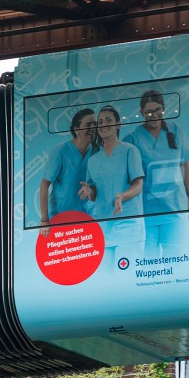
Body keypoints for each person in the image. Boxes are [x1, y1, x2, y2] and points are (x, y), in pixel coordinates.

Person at [124, 90, 189, 256]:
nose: (154, 115)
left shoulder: (176, 131)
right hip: (147, 211)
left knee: (175, 257)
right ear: (141, 113)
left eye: (158, 110)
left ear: (163, 109)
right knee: (149, 259)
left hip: (175, 208)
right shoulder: (133, 139)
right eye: (149, 112)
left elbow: (185, 166)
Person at [79, 105, 145, 266]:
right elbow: (94, 193)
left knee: (128, 279)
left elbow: (138, 184)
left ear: (118, 124)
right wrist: (90, 191)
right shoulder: (93, 160)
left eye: (108, 120)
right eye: (100, 122)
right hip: (104, 226)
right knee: (105, 279)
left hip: (129, 224)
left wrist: (122, 196)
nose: (104, 124)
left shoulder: (130, 150)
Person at [39, 108, 97, 234]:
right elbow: (44, 185)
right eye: (88, 124)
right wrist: (44, 220)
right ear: (76, 129)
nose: (93, 128)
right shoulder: (61, 151)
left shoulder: (97, 152)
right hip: (60, 219)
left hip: (87, 219)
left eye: (95, 124)